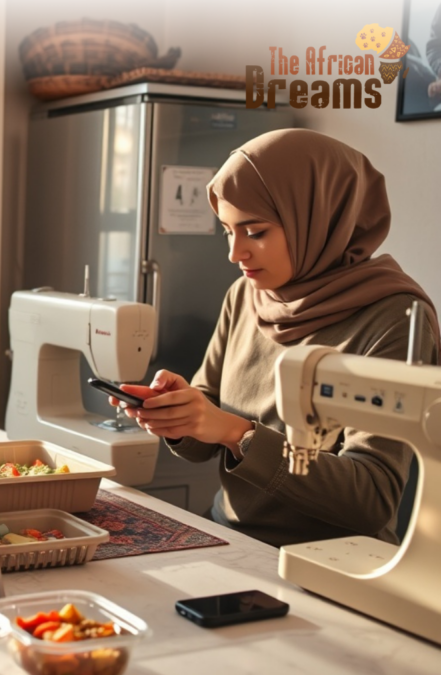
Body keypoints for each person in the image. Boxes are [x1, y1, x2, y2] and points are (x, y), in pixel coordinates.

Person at [110, 129, 439, 548]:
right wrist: (180, 415)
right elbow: (205, 428)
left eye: (256, 231)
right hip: (230, 538)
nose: (235, 253)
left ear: (318, 217)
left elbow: (370, 498)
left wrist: (239, 434)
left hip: (333, 561)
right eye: (228, 231)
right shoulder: (246, 296)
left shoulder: (394, 318)